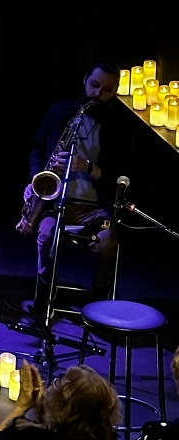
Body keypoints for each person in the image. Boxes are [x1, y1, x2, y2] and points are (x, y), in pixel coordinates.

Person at [18, 60, 134, 301]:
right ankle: (45, 293)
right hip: (57, 204)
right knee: (46, 235)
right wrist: (37, 180)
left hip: (96, 210)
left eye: (107, 90)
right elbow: (37, 149)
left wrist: (87, 167)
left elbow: (120, 175)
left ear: (115, 90)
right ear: (84, 80)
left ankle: (100, 298)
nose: (98, 94)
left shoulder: (120, 126)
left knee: (106, 243)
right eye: (94, 85)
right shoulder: (59, 112)